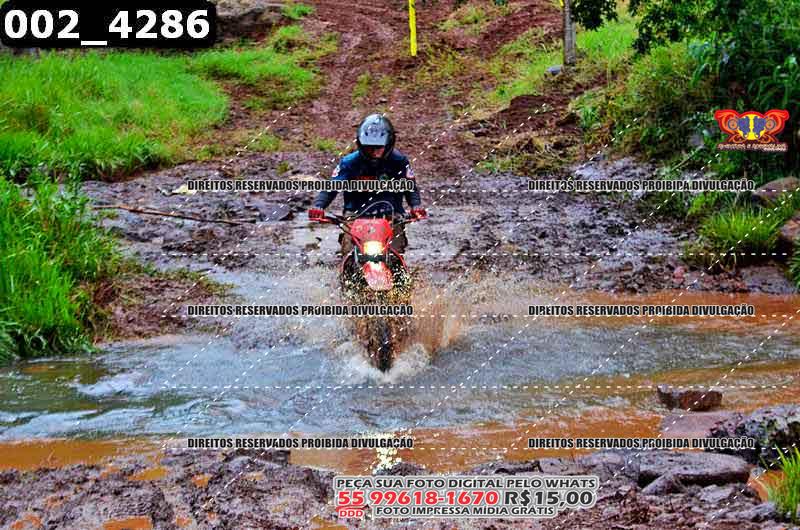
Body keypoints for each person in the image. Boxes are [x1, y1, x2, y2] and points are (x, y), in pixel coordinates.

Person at [308, 114, 426, 256]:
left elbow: (410, 186)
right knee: (349, 252)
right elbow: (332, 186)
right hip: (356, 214)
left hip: (391, 215)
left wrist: (415, 205)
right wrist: (319, 206)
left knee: (395, 253)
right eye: (369, 148)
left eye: (378, 148)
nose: (374, 153)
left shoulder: (399, 161)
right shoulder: (349, 163)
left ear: (389, 144)